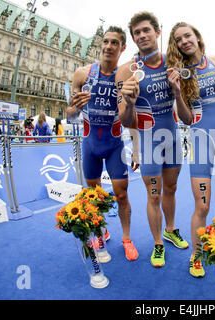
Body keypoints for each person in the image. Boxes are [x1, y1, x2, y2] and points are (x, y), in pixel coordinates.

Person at [165, 22, 215, 277]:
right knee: (203, 207)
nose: (185, 41)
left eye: (188, 35)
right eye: (179, 39)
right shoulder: (179, 72)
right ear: (176, 46)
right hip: (200, 140)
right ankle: (196, 256)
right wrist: (176, 91)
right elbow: (186, 119)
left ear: (197, 37)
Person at [116, 12, 189, 268]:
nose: (142, 35)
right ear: (134, 38)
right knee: (154, 195)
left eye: (146, 30)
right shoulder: (127, 70)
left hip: (172, 136)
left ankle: (170, 229)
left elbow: (204, 61)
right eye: (137, 33)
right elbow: (125, 121)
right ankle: (158, 243)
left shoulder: (175, 61)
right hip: (148, 141)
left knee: (171, 189)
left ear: (158, 32)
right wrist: (129, 102)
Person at [67, 25, 139, 261]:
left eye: (114, 43)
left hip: (115, 144)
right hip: (90, 145)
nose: (108, 46)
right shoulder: (82, 73)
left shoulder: (124, 76)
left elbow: (131, 119)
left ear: (122, 47)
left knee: (121, 195)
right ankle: (100, 231)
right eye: (105, 42)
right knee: (94, 195)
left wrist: (136, 149)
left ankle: (126, 238)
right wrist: (75, 108)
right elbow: (69, 115)